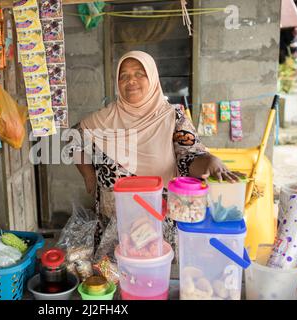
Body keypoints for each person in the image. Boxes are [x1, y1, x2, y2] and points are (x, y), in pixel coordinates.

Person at [71, 51, 239, 249]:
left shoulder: (172, 117)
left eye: (139, 74)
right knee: (114, 277)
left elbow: (189, 155)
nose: (131, 81)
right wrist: (88, 174)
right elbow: (73, 138)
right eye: (123, 76)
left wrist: (208, 160)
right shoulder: (103, 119)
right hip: (114, 228)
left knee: (155, 275)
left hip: (158, 225)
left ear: (152, 78)